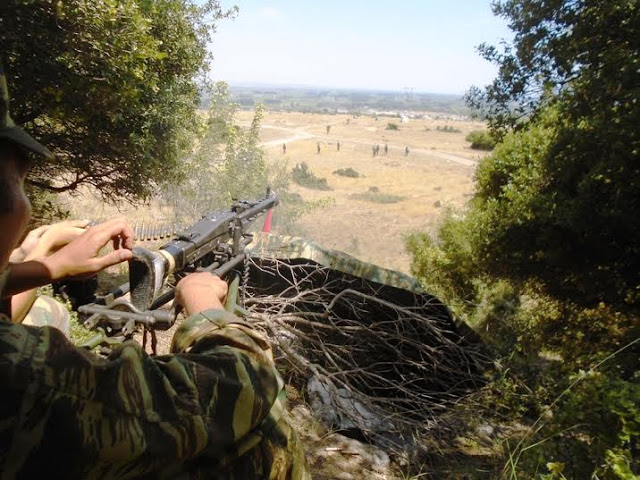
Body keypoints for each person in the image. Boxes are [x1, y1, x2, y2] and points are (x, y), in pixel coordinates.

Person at [0, 64, 310, 478]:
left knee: (48, 312)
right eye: (19, 179)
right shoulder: (25, 376)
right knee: (266, 434)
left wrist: (44, 261)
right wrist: (203, 307)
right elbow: (245, 386)